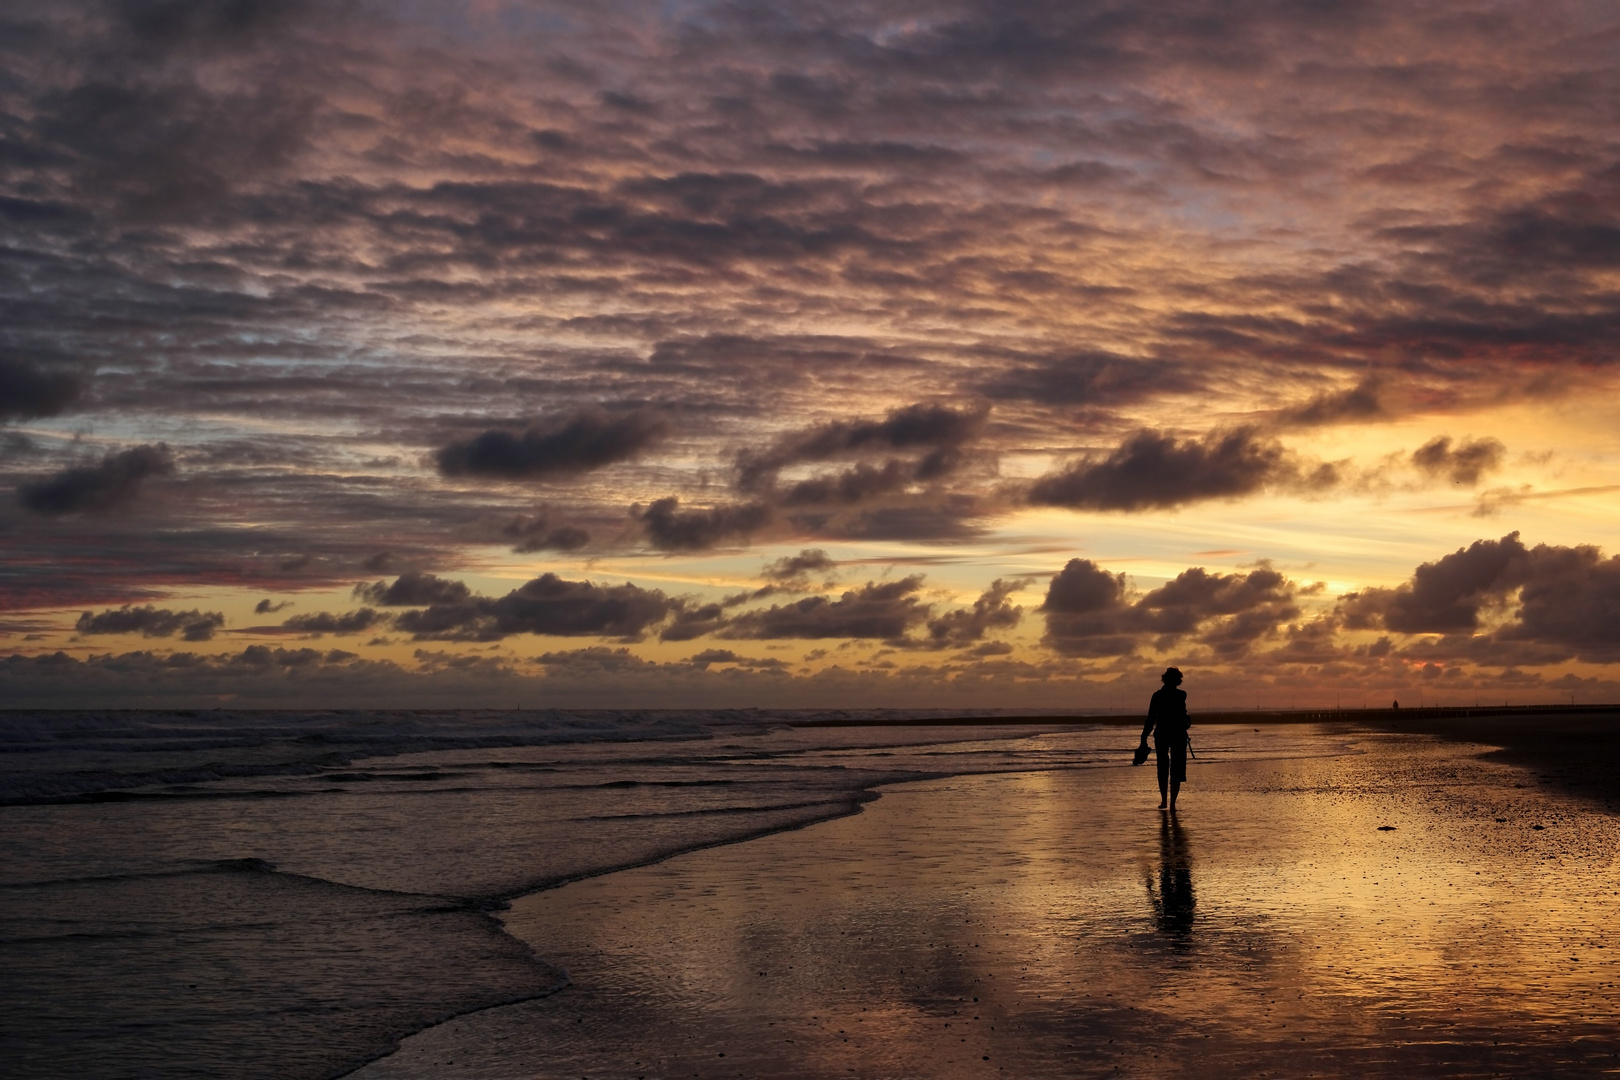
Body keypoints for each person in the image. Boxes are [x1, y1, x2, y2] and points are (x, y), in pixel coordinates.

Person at [1139, 667, 1189, 810]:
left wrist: (1144, 737)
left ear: (1164, 679)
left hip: (1162, 734)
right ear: (1178, 680)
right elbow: (1183, 715)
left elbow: (1151, 718)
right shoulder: (1181, 695)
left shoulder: (1157, 696)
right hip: (1178, 734)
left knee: (1163, 767)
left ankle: (1164, 801)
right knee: (1177, 769)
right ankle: (1172, 803)